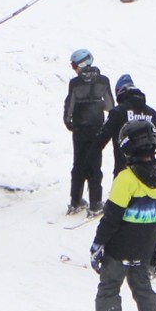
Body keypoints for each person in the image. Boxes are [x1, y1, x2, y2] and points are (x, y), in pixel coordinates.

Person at [85, 119, 156, 311]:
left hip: (120, 248)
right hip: (145, 247)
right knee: (143, 288)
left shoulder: (126, 179)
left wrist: (98, 244)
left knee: (108, 290)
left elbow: (111, 218)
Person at [62, 49, 114, 216]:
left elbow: (69, 104)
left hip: (79, 129)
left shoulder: (75, 83)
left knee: (78, 164)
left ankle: (75, 200)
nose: (74, 69)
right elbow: (110, 106)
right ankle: (95, 203)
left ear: (82, 63)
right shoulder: (103, 81)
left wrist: (68, 122)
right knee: (94, 164)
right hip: (97, 129)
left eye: (74, 65)